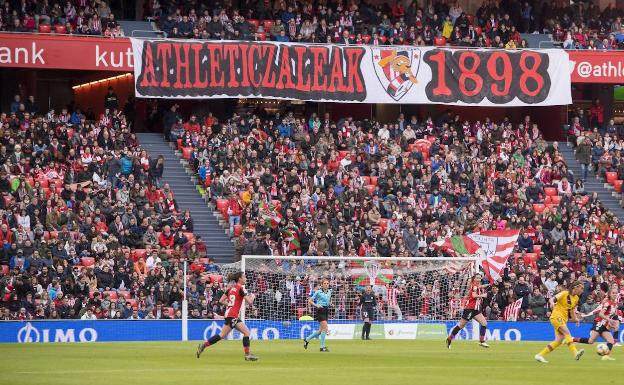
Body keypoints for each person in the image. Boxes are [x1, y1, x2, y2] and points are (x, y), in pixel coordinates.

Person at [196, 272, 258, 361]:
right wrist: (253, 296)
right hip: (232, 315)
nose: (246, 279)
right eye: (244, 277)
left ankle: (203, 345)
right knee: (240, 333)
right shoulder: (241, 288)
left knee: (238, 333)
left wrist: (230, 305)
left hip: (230, 314)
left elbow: (221, 300)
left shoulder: (230, 289)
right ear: (240, 279)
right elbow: (250, 302)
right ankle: (247, 355)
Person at [534, 281, 585, 363]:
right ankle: (575, 353)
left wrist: (576, 319)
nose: (582, 290)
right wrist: (552, 303)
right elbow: (552, 299)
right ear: (575, 287)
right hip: (556, 316)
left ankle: (539, 355)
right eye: (581, 288)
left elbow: (571, 310)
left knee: (559, 341)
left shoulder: (576, 298)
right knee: (567, 333)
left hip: (563, 319)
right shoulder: (564, 293)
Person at [573, 287, 619, 361]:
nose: (615, 294)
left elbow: (611, 315)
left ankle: (606, 356)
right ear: (610, 294)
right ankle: (573, 339)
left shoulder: (615, 303)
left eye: (616, 293)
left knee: (611, 341)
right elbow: (601, 314)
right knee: (591, 341)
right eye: (613, 293)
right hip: (599, 323)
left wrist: (610, 324)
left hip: (604, 325)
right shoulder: (607, 303)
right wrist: (609, 320)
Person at [446, 273, 490, 349]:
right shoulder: (474, 286)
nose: (479, 279)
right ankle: (449, 339)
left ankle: (481, 341)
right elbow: (474, 295)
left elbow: (481, 286)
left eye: (480, 278)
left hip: (476, 310)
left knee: (484, 323)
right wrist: (482, 295)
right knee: (461, 326)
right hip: (469, 309)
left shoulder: (477, 286)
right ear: (474, 279)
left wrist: (489, 284)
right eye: (477, 278)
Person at [303, 278, 331, 352]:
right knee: (325, 328)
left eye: (327, 283)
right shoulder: (318, 292)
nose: (326, 285)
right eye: (324, 283)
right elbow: (310, 300)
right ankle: (322, 347)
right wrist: (316, 305)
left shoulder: (329, 292)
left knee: (320, 330)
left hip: (326, 310)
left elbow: (327, 301)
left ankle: (307, 339)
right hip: (320, 310)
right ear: (321, 285)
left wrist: (330, 304)